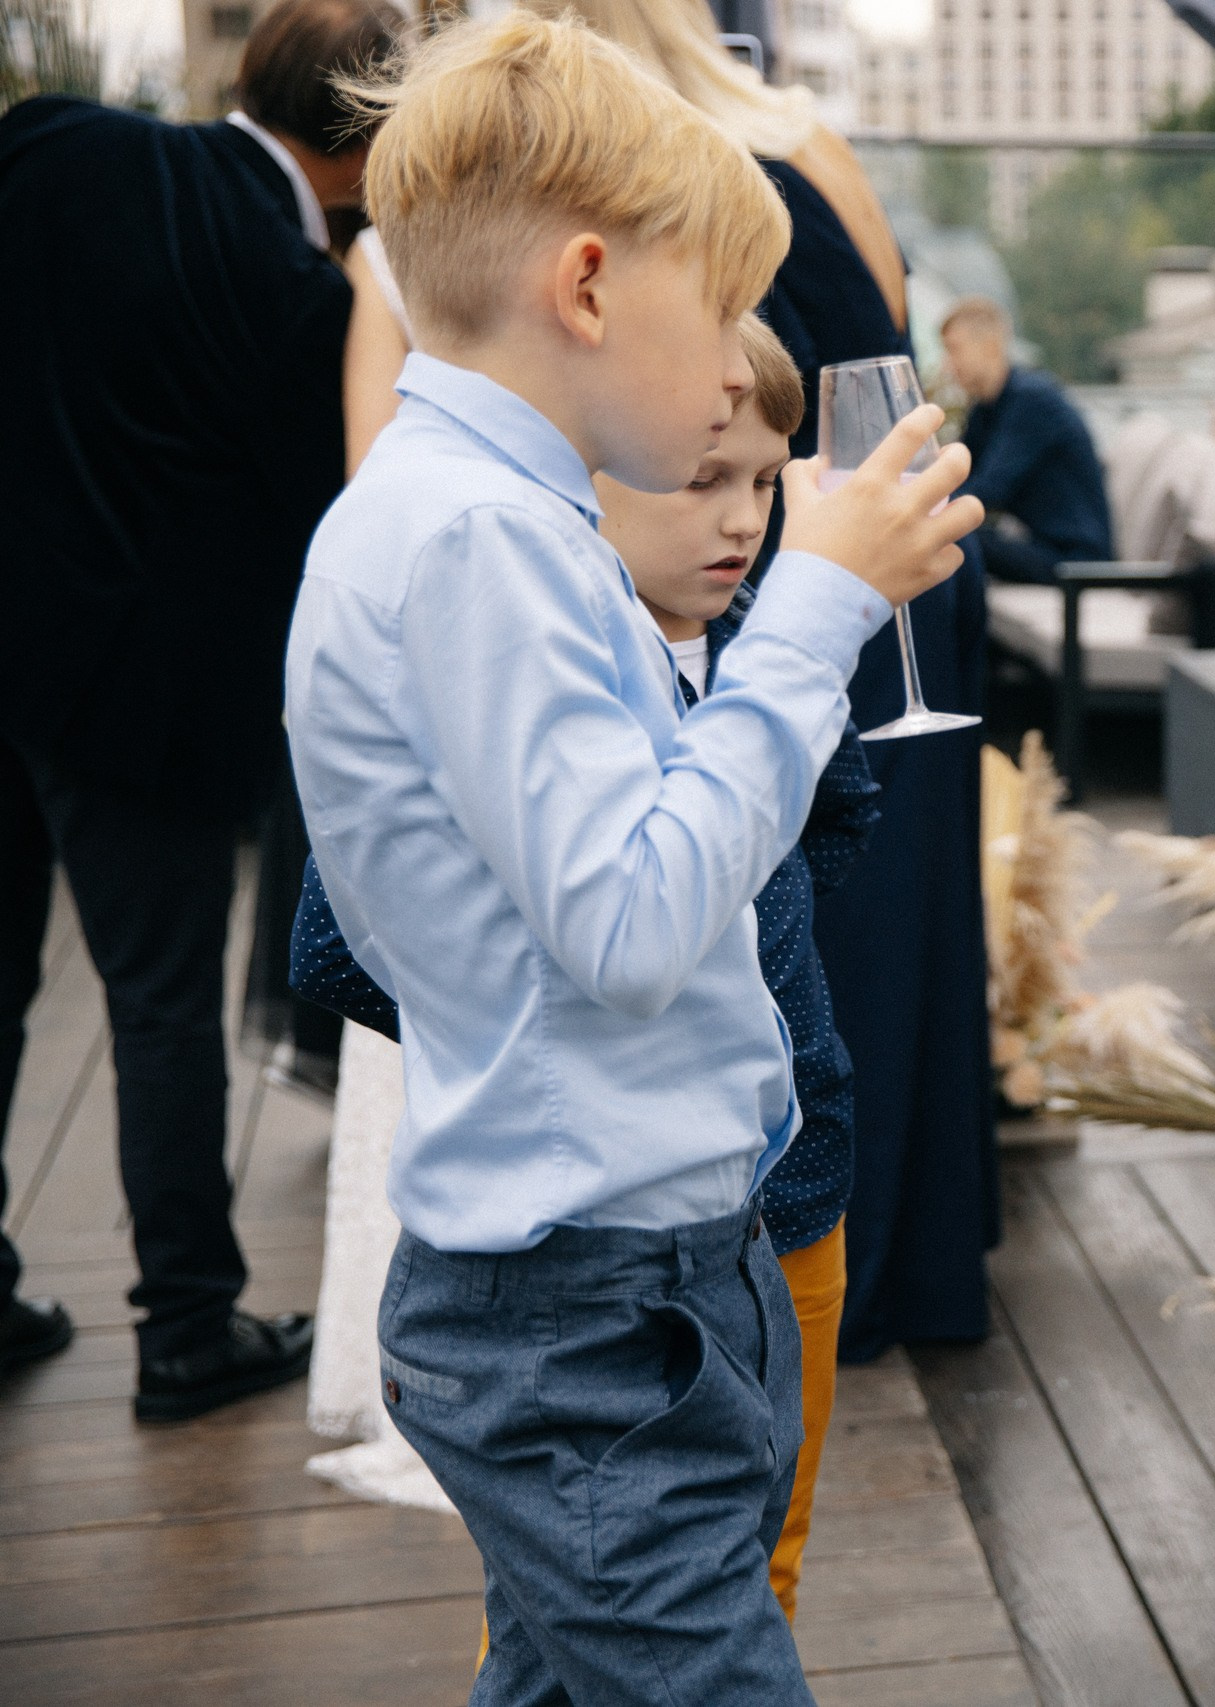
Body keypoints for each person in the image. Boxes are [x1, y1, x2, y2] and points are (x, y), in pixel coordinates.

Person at [283, 15, 980, 1697]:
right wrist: (811, 617)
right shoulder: (477, 540)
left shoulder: (491, 521)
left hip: (623, 1278)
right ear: (591, 289)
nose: (738, 377)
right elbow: (631, 916)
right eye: (719, 329)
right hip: (586, 1312)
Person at [290, 315, 877, 1620]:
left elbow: (833, 818)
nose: (741, 521)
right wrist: (554, 1025)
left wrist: (745, 954)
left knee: (758, 1543)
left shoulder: (766, 659)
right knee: (640, 1598)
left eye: (769, 482)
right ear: (587, 470)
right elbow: (334, 943)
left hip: (794, 1173)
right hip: (618, 1220)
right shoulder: (524, 662)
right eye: (700, 478)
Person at [0, 0, 404, 1413]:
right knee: (161, 1007)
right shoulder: (308, 301)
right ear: (369, 136)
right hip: (145, 712)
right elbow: (326, 523)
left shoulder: (53, 150)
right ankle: (184, 1323)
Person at [943, 295, 1114, 585]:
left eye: (954, 350)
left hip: (1077, 561)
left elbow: (988, 490)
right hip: (1042, 547)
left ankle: (957, 633)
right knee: (953, 538)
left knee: (955, 541)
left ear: (991, 345)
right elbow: (958, 479)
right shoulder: (988, 407)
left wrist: (926, 514)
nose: (949, 365)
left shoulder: (1032, 400)